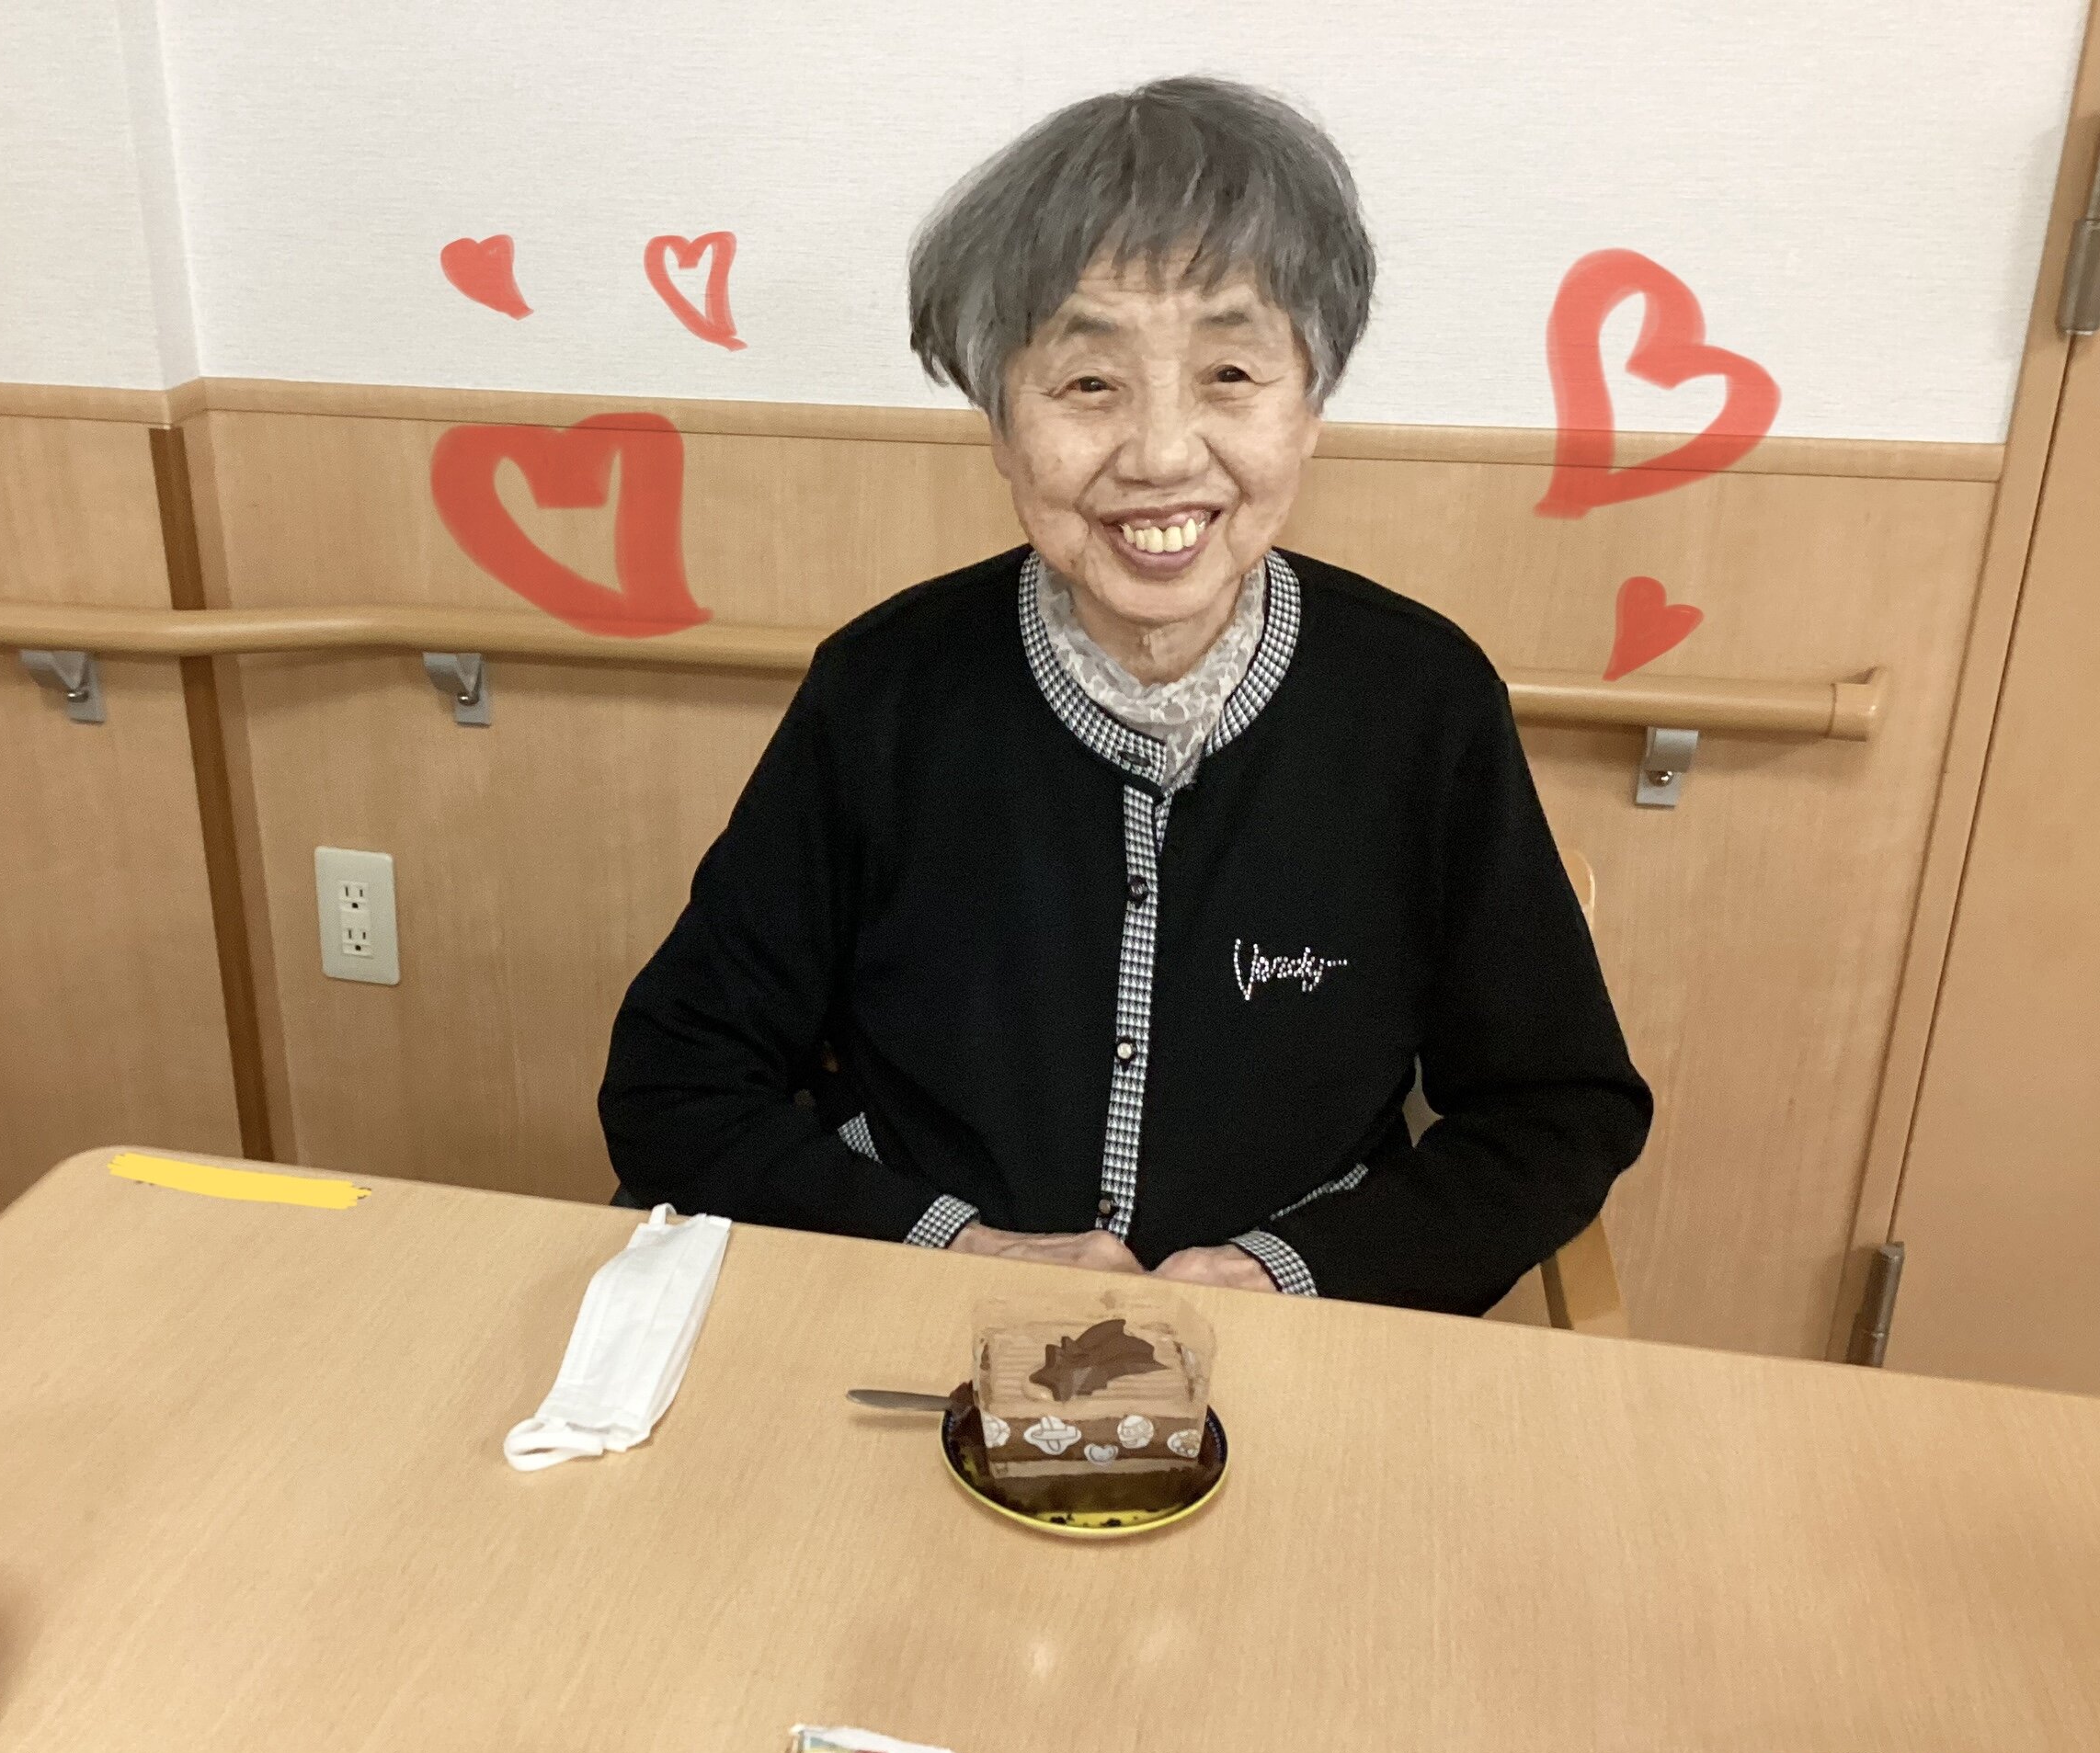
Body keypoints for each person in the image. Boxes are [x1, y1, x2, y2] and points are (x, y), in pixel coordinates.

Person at [599, 74, 1650, 1314]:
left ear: (1310, 407)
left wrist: (1292, 1274)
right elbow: (676, 1083)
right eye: (1088, 384)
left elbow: (1555, 1108)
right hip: (925, 1322)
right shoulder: (884, 690)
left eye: (1231, 373)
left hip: (1290, 1345)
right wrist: (956, 1250)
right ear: (1001, 426)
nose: (1159, 454)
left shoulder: (1422, 702)